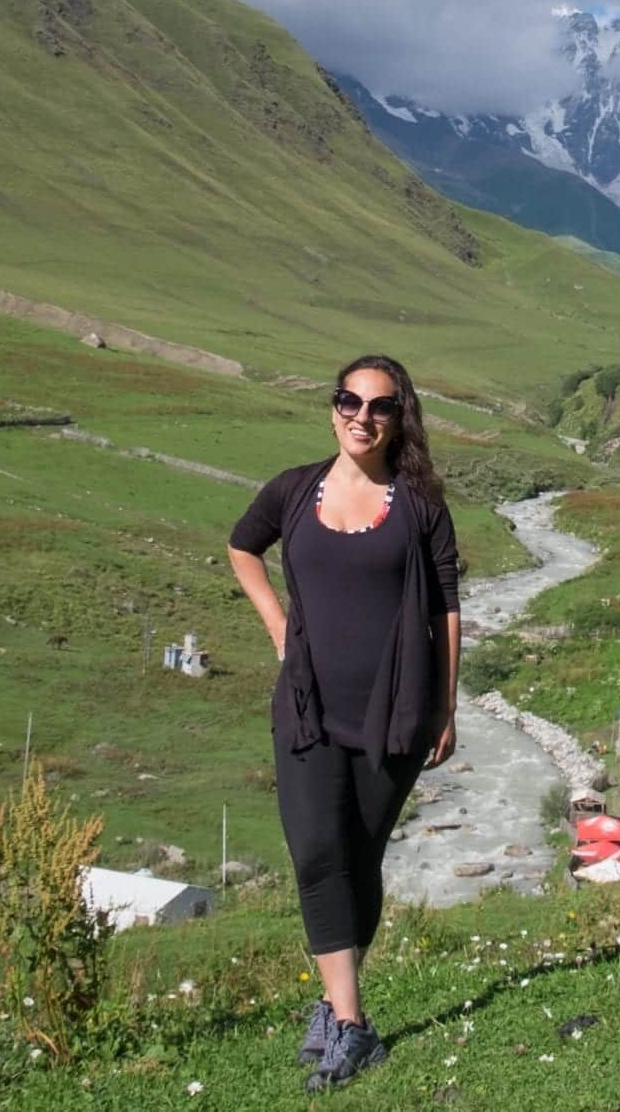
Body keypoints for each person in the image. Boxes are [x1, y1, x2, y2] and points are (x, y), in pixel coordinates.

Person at [228, 353, 461, 1092]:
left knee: (359, 861)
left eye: (380, 406)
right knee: (317, 852)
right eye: (349, 402)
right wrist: (277, 625)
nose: (363, 417)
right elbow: (242, 546)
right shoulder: (295, 491)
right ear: (332, 408)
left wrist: (447, 707)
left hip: (395, 709)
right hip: (307, 702)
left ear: (400, 418)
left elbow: (446, 608)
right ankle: (353, 1026)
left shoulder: (419, 508)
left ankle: (335, 1003)